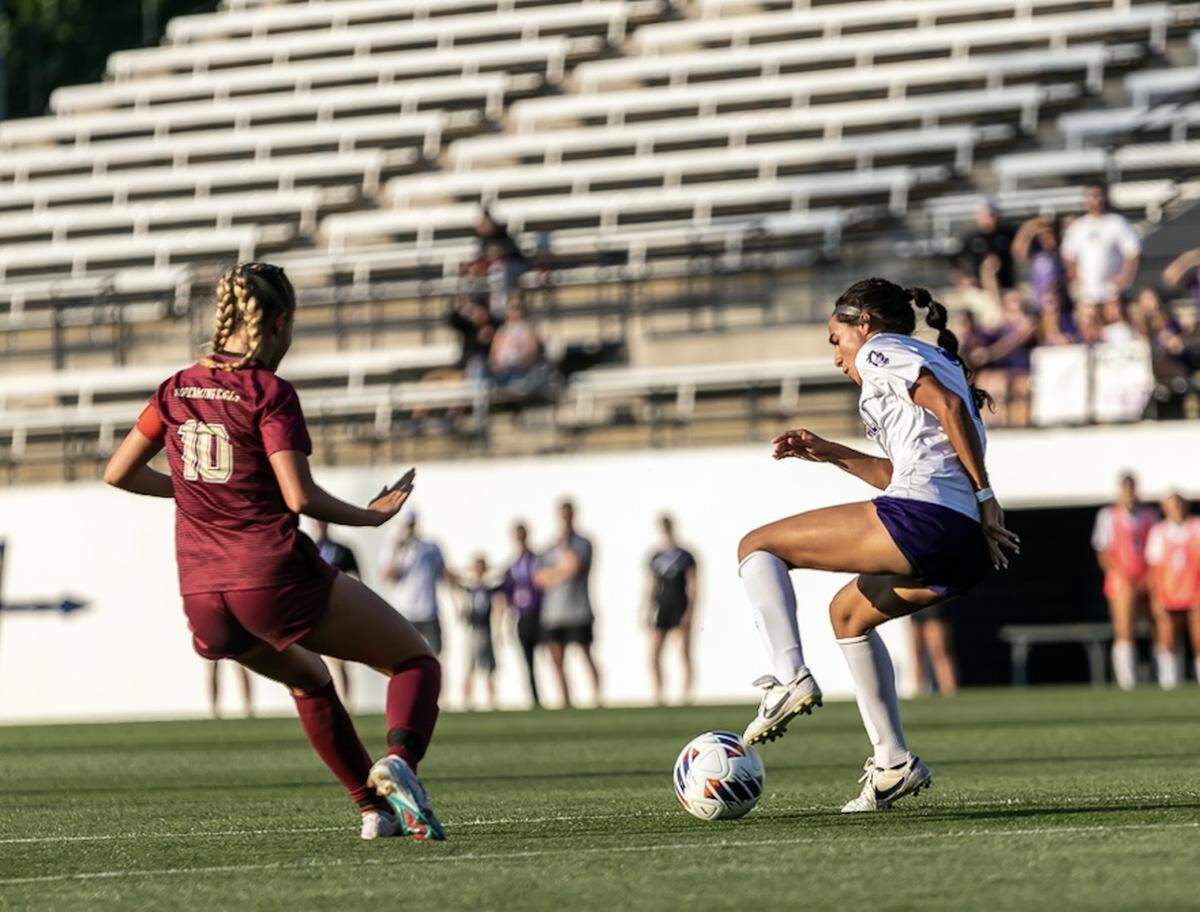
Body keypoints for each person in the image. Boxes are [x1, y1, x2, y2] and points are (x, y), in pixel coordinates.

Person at [103, 262, 444, 841]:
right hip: (271, 576)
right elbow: (298, 495)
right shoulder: (267, 391)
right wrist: (371, 514)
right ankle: (400, 766)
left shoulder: (176, 386)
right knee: (414, 662)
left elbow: (118, 473)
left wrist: (197, 488)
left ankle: (374, 811)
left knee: (310, 680)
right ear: (279, 322)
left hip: (204, 596)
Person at [736, 277, 1018, 813]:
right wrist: (832, 452)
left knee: (757, 547)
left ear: (863, 323)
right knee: (847, 615)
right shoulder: (927, 360)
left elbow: (947, 412)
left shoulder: (881, 350)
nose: (837, 356)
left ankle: (788, 679)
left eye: (835, 339)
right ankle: (892, 764)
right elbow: (901, 470)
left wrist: (986, 494)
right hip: (963, 547)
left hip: (931, 517)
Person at [1092, 473, 1158, 690]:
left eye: (1132, 489)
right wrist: (1121, 576)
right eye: (1126, 490)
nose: (1129, 495)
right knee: (1124, 629)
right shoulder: (1108, 516)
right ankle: (1127, 681)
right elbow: (1103, 552)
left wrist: (1149, 577)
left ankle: (1162, 676)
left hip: (1147, 578)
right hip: (1122, 580)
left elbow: (1155, 549)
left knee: (1158, 627)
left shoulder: (1150, 515)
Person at [535, 499, 602, 708]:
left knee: (585, 654)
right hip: (554, 612)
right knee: (556, 657)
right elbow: (538, 578)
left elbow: (575, 566)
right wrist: (560, 572)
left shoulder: (583, 543)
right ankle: (565, 699)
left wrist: (561, 561)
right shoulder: (548, 547)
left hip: (578, 609)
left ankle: (597, 697)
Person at [1145, 493, 1200, 689]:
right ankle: (1169, 684)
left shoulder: (1196, 526)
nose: (1176, 508)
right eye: (1172, 505)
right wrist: (1155, 598)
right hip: (1168, 593)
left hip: (1195, 592)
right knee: (1167, 639)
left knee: (1198, 637)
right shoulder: (1159, 532)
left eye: (1179, 504)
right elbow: (1153, 568)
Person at [645, 514, 698, 705]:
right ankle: (659, 693)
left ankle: (686, 694)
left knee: (683, 651)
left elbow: (693, 585)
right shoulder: (656, 556)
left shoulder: (685, 556)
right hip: (662, 607)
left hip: (680, 605)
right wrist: (646, 609)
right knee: (654, 653)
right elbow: (650, 585)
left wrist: (690, 610)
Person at [380, 514, 450, 656]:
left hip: (428, 612)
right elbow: (387, 577)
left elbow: (444, 574)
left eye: (411, 524)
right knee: (404, 655)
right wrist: (398, 551)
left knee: (436, 656)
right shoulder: (393, 548)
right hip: (405, 612)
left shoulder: (430, 547)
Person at [1061, 183, 1141, 306]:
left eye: (1097, 195)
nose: (1094, 200)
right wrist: (1076, 279)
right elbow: (1067, 256)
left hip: (1112, 293)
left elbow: (1133, 253)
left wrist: (1124, 278)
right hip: (1087, 294)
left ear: (1105, 197)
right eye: (1090, 196)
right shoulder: (1078, 226)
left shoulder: (1117, 222)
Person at [313, 520, 360, 702]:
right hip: (316, 612)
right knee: (319, 662)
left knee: (340, 660)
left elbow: (357, 578)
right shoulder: (311, 549)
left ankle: (347, 701)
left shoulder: (343, 551)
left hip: (338, 611)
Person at [499, 521, 543, 707]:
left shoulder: (537, 561)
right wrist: (503, 625)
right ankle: (535, 698)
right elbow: (506, 597)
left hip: (540, 615)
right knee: (528, 660)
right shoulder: (512, 566)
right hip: (523, 617)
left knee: (552, 655)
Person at [457, 555, 499, 710]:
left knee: (489, 669)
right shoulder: (469, 589)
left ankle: (492, 701)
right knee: (469, 666)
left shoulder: (488, 589)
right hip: (473, 631)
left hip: (486, 631)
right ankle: (467, 702)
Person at [951, 202, 1015, 291]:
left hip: (1006, 286)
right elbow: (954, 260)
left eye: (992, 215)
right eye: (985, 215)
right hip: (980, 289)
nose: (989, 219)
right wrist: (964, 278)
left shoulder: (1006, 234)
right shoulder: (971, 237)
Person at [1012, 214, 1069, 310]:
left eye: (1049, 233)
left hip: (1057, 299)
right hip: (1038, 299)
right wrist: (1030, 230)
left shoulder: (1060, 252)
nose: (1047, 238)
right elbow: (1017, 251)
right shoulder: (1035, 252)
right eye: (1043, 236)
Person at [908, 608, 958, 696]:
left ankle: (948, 691)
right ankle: (918, 692)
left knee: (938, 650)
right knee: (917, 652)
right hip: (916, 606)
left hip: (933, 608)